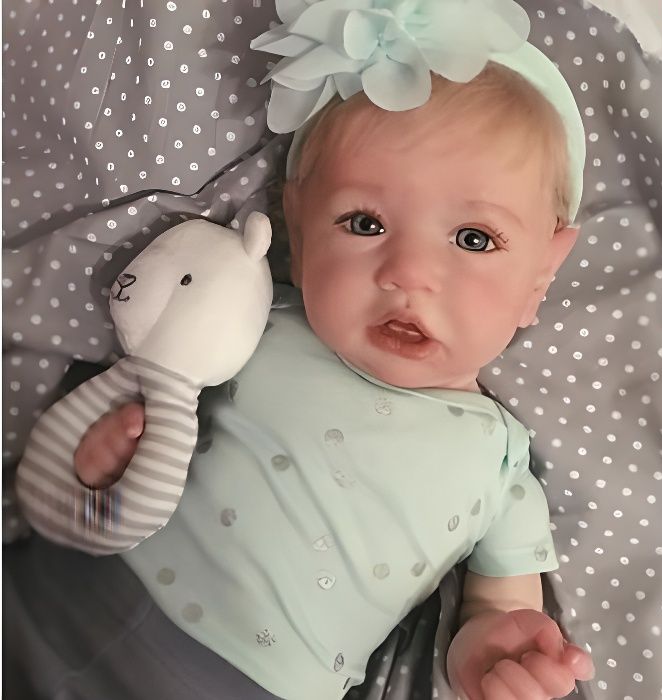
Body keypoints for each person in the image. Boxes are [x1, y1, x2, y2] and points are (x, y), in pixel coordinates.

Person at [18, 2, 595, 699]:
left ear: (541, 276)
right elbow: (146, 393)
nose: (408, 273)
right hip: (75, 593)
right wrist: (101, 462)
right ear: (297, 224)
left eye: (474, 239)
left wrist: (494, 653)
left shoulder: (502, 464)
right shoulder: (256, 321)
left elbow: (497, 606)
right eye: (364, 223)